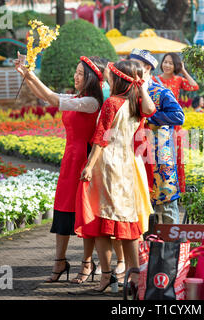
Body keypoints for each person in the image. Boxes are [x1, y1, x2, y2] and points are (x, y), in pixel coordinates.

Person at [14, 54, 105, 283]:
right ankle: (59, 261)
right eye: (75, 72)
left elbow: (52, 98)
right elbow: (45, 97)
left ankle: (86, 263)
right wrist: (26, 75)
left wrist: (30, 73)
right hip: (69, 159)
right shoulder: (77, 97)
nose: (75, 76)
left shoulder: (91, 102)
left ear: (92, 78)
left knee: (84, 212)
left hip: (84, 160)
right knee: (63, 208)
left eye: (81, 73)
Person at [75, 60, 156, 293]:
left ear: (118, 79)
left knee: (101, 222)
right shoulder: (135, 103)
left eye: (111, 75)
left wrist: (89, 165)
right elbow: (151, 110)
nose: (108, 78)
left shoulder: (112, 103)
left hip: (107, 165)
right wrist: (141, 88)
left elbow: (100, 137)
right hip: (128, 166)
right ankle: (134, 276)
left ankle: (109, 276)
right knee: (128, 223)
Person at [129, 48, 185, 225]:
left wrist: (149, 117)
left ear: (146, 67)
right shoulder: (129, 92)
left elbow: (179, 116)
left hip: (160, 157)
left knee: (166, 206)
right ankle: (143, 250)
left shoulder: (161, 92)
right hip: (137, 155)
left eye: (135, 65)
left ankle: (172, 247)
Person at [152, 52, 199, 194]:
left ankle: (177, 192)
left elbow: (194, 86)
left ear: (175, 66)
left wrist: (183, 70)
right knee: (160, 158)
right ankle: (161, 191)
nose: (167, 65)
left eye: (171, 63)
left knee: (176, 157)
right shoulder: (154, 80)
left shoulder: (178, 80)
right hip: (158, 124)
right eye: (165, 62)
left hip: (174, 125)